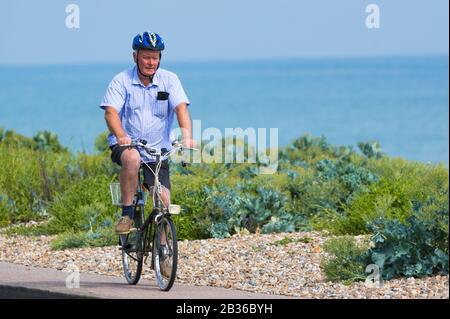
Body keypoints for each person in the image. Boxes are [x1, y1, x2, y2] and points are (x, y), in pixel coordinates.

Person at [100, 31, 194, 235]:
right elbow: (110, 113)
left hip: (157, 149)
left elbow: (181, 109)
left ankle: (163, 251)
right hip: (126, 144)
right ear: (135, 56)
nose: (151, 62)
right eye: (146, 57)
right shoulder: (121, 81)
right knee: (132, 158)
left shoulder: (170, 80)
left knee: (164, 202)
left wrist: (187, 136)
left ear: (160, 58)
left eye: (155, 57)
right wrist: (121, 134)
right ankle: (126, 214)